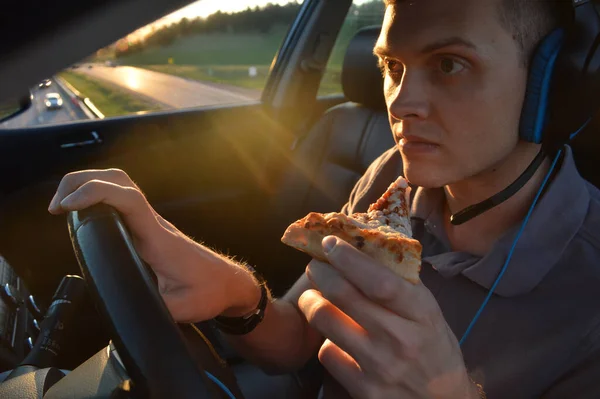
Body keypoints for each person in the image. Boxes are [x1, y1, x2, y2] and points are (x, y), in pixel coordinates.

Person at [48, 0, 600, 397]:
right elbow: (298, 342)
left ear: (551, 85)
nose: (401, 103)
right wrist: (237, 293)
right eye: (393, 67)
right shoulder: (394, 183)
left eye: (449, 64)